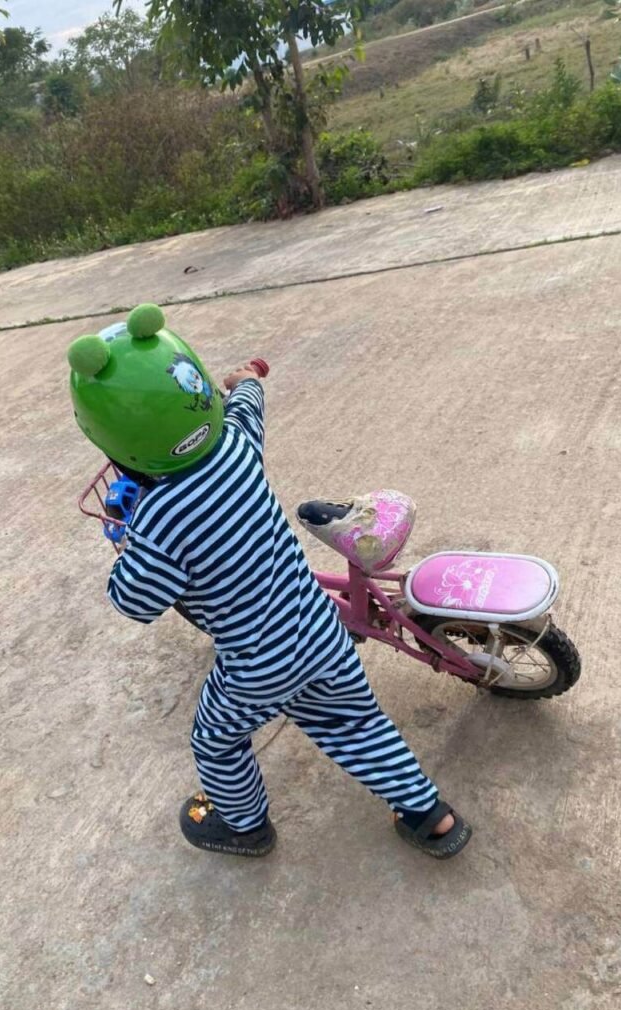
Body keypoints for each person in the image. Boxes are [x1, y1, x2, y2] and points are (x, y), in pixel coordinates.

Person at [67, 303, 471, 860]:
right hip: (321, 632)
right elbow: (248, 401)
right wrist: (246, 379)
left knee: (217, 741)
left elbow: (136, 601)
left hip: (258, 666)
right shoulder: (236, 446)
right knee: (355, 722)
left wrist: (127, 549)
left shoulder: (158, 520)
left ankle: (244, 828)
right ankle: (431, 817)